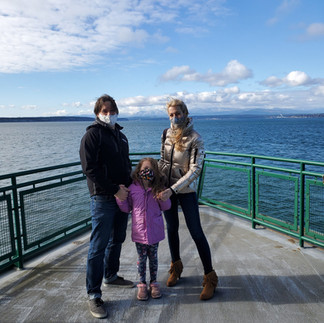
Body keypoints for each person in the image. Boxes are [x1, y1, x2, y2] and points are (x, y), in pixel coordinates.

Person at [79, 94, 134, 319]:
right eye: (105, 111)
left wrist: (131, 186)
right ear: (97, 113)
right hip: (103, 197)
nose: (109, 114)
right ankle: (93, 294)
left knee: (118, 237)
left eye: (112, 111)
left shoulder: (120, 136)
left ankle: (111, 275)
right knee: (98, 245)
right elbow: (89, 169)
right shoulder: (92, 135)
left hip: (122, 196)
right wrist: (114, 189)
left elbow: (126, 164)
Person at [158, 98, 218, 301]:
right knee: (171, 229)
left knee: (196, 232)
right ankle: (176, 267)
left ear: (185, 113)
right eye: (171, 115)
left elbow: (195, 170)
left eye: (178, 113)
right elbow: (163, 161)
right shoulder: (165, 134)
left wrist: (172, 190)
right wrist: (156, 183)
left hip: (185, 192)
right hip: (166, 190)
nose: (175, 118)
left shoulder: (195, 138)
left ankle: (210, 277)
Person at [116, 157, 171, 301]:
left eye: (150, 170)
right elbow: (127, 208)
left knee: (153, 258)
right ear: (138, 171)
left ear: (155, 173)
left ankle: (154, 283)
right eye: (144, 169)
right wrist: (120, 199)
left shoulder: (159, 188)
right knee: (141, 259)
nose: (147, 172)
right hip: (139, 232)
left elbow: (166, 207)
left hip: (155, 232)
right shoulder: (133, 188)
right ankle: (142, 283)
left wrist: (164, 197)